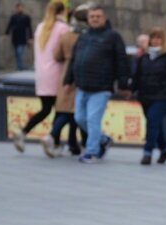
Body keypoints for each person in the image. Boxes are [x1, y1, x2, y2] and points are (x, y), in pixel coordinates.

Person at [64, 3, 130, 164]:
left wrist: (123, 84)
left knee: (93, 120)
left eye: (98, 16)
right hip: (83, 86)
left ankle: (91, 151)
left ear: (104, 18)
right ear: (88, 19)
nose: (94, 19)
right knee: (80, 118)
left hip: (101, 87)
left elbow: (122, 61)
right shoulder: (84, 36)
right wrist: (68, 81)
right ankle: (104, 139)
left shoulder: (113, 37)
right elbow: (74, 60)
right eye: (92, 17)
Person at [12, 2, 69, 153]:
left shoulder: (40, 27)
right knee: (60, 110)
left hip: (42, 75)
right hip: (57, 74)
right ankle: (53, 142)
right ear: (62, 11)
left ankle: (23, 131)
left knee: (45, 109)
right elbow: (65, 51)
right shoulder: (62, 28)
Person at [132, 27, 166, 165]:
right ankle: (164, 148)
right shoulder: (144, 57)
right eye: (153, 38)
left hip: (163, 96)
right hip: (145, 96)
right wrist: (130, 90)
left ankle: (147, 152)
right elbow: (137, 77)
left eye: (158, 38)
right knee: (155, 124)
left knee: (152, 120)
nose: (155, 41)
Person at [43, 5, 88, 157]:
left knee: (66, 110)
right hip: (80, 74)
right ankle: (57, 137)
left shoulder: (67, 35)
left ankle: (70, 142)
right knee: (76, 111)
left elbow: (56, 55)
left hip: (65, 74)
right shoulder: (86, 37)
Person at [5, 3, 33, 71]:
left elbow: (29, 28)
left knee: (19, 52)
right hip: (15, 37)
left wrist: (30, 37)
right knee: (17, 53)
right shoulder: (13, 17)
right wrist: (6, 33)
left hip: (23, 38)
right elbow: (9, 25)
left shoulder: (26, 17)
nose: (20, 8)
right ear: (17, 8)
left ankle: (20, 67)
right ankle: (19, 66)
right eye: (19, 7)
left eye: (21, 7)